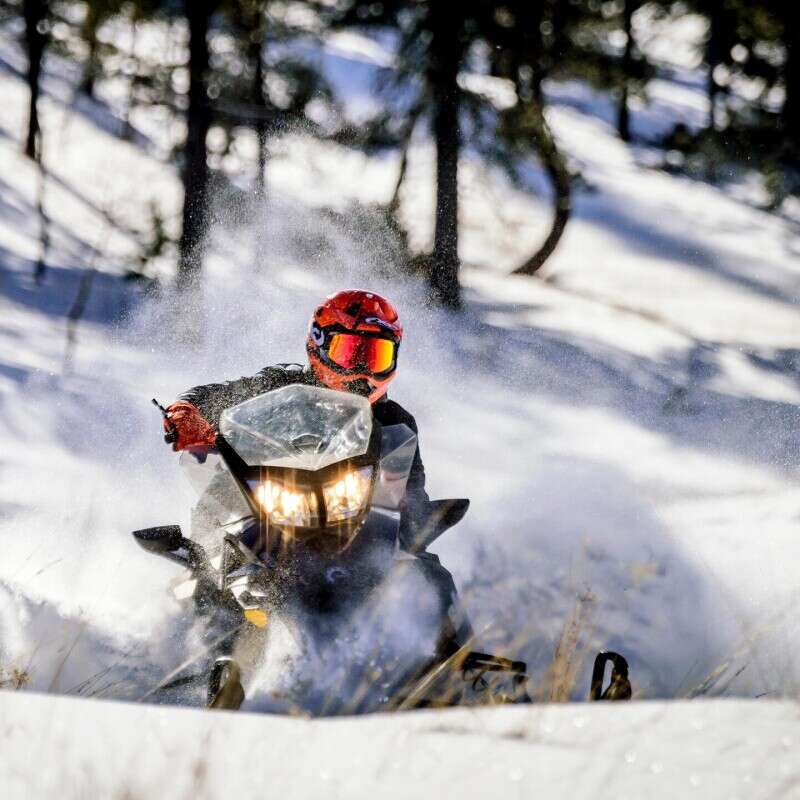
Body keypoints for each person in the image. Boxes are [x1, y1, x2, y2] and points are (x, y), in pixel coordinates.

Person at [163, 289, 470, 648]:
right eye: (349, 352)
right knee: (217, 544)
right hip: (270, 510)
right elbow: (214, 396)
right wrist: (187, 412)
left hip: (358, 530)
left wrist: (416, 518)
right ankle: (199, 647)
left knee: (427, 570)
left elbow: (412, 489)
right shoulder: (280, 385)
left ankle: (459, 664)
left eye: (375, 356)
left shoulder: (394, 421)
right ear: (319, 345)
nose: (361, 370)